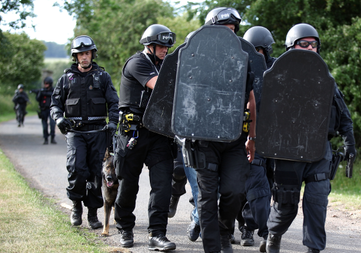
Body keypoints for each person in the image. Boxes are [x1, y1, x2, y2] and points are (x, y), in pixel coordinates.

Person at [265, 23, 357, 253]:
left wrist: (350, 143)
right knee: (286, 205)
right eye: (302, 44)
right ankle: (273, 236)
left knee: (317, 203)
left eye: (313, 44)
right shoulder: (276, 77)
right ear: (291, 47)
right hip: (286, 151)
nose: (309, 48)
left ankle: (313, 249)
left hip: (318, 150)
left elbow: (343, 115)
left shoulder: (325, 80)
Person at [189, 7, 256, 253]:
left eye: (233, 31)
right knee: (207, 198)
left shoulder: (242, 60)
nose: (231, 35)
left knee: (234, 191)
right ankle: (212, 248)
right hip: (204, 139)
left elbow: (250, 99)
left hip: (234, 137)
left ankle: (225, 233)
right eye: (225, 30)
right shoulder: (195, 58)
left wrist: (252, 137)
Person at [113, 24, 177, 251]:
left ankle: (157, 234)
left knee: (163, 185)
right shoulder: (137, 63)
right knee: (128, 184)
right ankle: (125, 228)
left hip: (159, 134)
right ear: (149, 45)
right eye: (161, 46)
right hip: (133, 134)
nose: (165, 50)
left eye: (168, 46)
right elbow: (159, 87)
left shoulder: (167, 64)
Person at [50, 35, 119, 230]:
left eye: (87, 53)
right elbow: (55, 103)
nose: (84, 57)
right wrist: (59, 118)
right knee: (77, 169)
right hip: (75, 132)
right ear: (76, 56)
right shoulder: (66, 79)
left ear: (92, 54)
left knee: (97, 174)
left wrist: (113, 122)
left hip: (98, 131)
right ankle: (76, 206)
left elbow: (114, 102)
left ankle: (93, 213)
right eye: (81, 54)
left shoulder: (102, 77)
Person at [228, 25, 277, 252]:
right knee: (253, 188)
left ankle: (260, 229)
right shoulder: (240, 69)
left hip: (274, 140)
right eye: (252, 50)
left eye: (260, 51)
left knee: (269, 188)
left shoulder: (277, 69)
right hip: (249, 137)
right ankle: (251, 229)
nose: (256, 55)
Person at [34, 77, 57, 144]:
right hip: (43, 110)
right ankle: (45, 138)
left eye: (47, 83)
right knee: (44, 125)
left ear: (50, 84)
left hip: (51, 110)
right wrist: (40, 93)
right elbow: (38, 99)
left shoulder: (54, 90)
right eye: (45, 83)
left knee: (52, 124)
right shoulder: (42, 90)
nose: (45, 84)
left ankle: (52, 138)